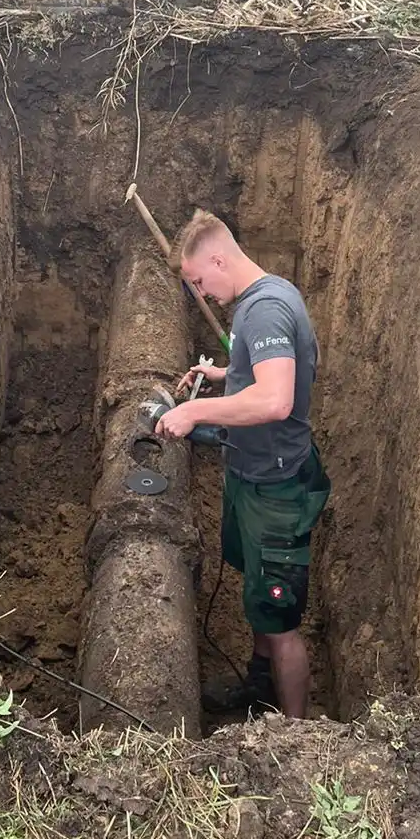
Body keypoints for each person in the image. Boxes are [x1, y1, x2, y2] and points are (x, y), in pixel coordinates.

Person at [154, 208, 330, 718]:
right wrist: (226, 374)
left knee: (281, 621)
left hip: (276, 490)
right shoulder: (267, 296)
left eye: (198, 282)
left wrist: (194, 410)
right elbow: (277, 370)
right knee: (261, 596)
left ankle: (297, 736)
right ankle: (259, 686)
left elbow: (276, 400)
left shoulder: (265, 310)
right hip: (253, 475)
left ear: (217, 258)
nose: (200, 294)